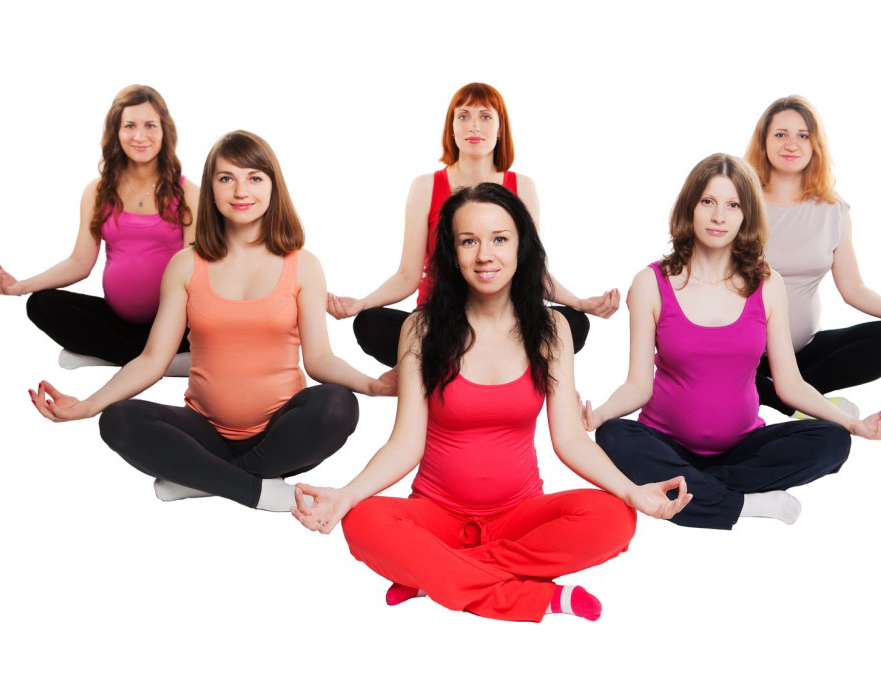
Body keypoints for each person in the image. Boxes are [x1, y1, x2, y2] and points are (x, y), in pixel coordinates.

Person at [293, 183, 690, 623]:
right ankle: (538, 598)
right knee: (363, 520)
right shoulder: (421, 330)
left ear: (521, 246)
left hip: (520, 518)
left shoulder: (552, 330)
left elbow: (572, 440)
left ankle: (439, 576)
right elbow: (405, 445)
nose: (485, 255)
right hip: (436, 516)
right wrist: (347, 494)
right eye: (469, 241)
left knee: (616, 518)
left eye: (500, 239)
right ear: (452, 253)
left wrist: (632, 491)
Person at [29, 131, 395, 511]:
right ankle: (254, 488)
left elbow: (319, 360)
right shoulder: (185, 265)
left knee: (338, 404)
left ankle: (205, 480)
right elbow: (153, 359)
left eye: (254, 178)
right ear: (212, 189)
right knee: (118, 419)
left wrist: (371, 385)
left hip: (281, 435)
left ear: (273, 186)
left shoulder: (303, 265)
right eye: (226, 178)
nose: (241, 191)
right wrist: (89, 405)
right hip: (202, 433)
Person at [585, 154, 881, 531]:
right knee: (613, 436)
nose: (719, 216)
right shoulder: (651, 282)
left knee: (833, 442)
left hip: (744, 449)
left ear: (747, 215)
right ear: (690, 207)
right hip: (665, 444)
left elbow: (790, 384)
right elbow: (638, 385)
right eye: (708, 202)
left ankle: (694, 491)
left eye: (733, 205)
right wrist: (599, 414)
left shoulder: (768, 284)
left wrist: (854, 424)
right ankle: (745, 503)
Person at [326, 82, 619, 366]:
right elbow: (407, 275)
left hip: (505, 320)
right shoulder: (425, 187)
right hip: (442, 319)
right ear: (451, 128)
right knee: (371, 323)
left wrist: (579, 303)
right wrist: (362, 303)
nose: (474, 126)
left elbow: (531, 267)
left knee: (573, 324)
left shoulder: (523, 187)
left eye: (485, 117)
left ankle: (467, 363)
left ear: (500, 128)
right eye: (464, 116)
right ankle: (477, 361)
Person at [743, 95, 881, 417]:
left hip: (803, 354)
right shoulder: (739, 203)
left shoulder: (833, 210)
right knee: (701, 357)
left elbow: (854, 289)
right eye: (780, 134)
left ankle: (786, 396)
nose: (791, 144)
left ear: (815, 145)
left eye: (802, 135)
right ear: (763, 142)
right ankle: (794, 401)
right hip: (743, 355)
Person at [0, 84, 200, 374]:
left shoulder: (188, 193)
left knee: (209, 319)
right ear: (116, 131)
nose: (140, 136)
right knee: (40, 304)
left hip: (174, 320)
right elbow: (80, 262)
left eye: (150, 125)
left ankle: (118, 354)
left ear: (165, 130)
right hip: (117, 320)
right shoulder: (97, 192)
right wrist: (22, 286)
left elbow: (194, 273)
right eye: (130, 126)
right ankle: (154, 359)